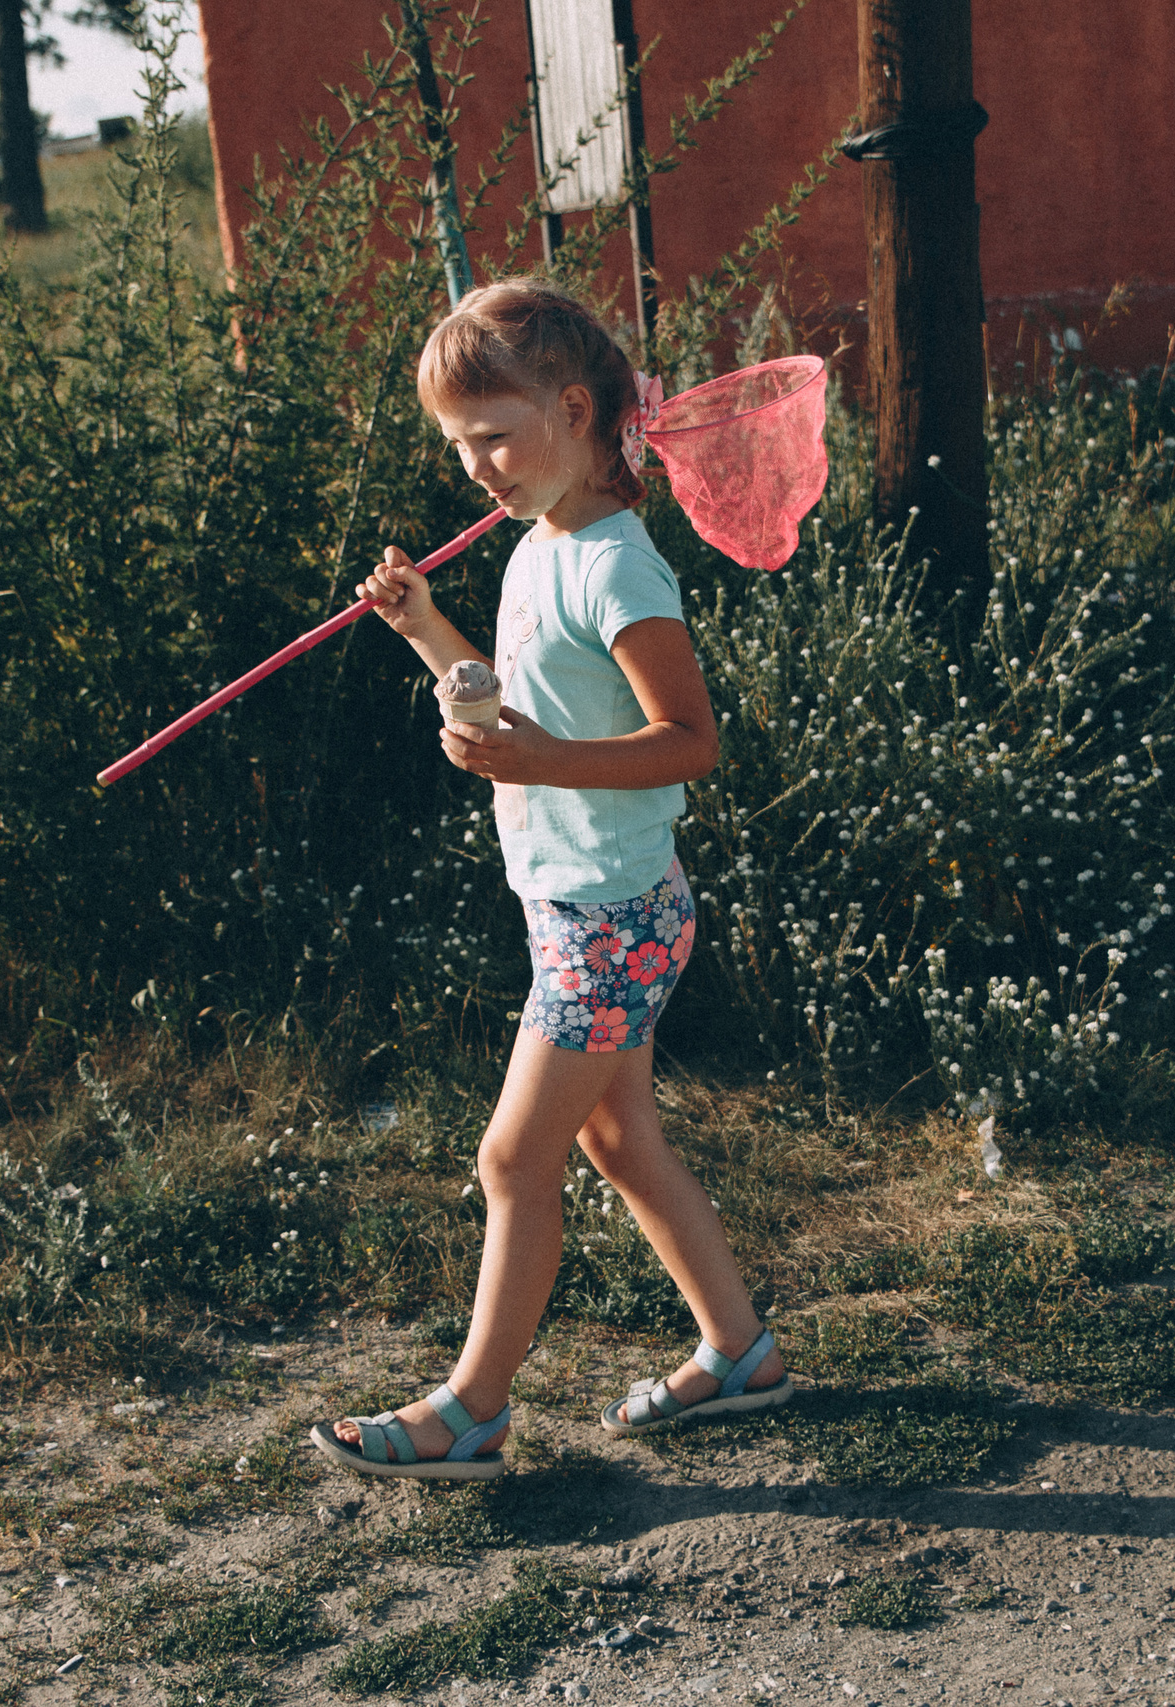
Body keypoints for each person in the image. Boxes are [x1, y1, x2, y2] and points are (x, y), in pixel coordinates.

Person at [307, 278, 789, 1480]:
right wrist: (425, 630)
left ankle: (470, 1411)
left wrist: (538, 762)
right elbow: (511, 700)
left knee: (512, 1161)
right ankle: (740, 1352)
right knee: (620, 1142)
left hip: (612, 922)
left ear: (575, 411)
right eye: (457, 446)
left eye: (493, 437)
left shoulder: (616, 568)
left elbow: (690, 741)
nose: (475, 468)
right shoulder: (540, 545)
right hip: (578, 906)